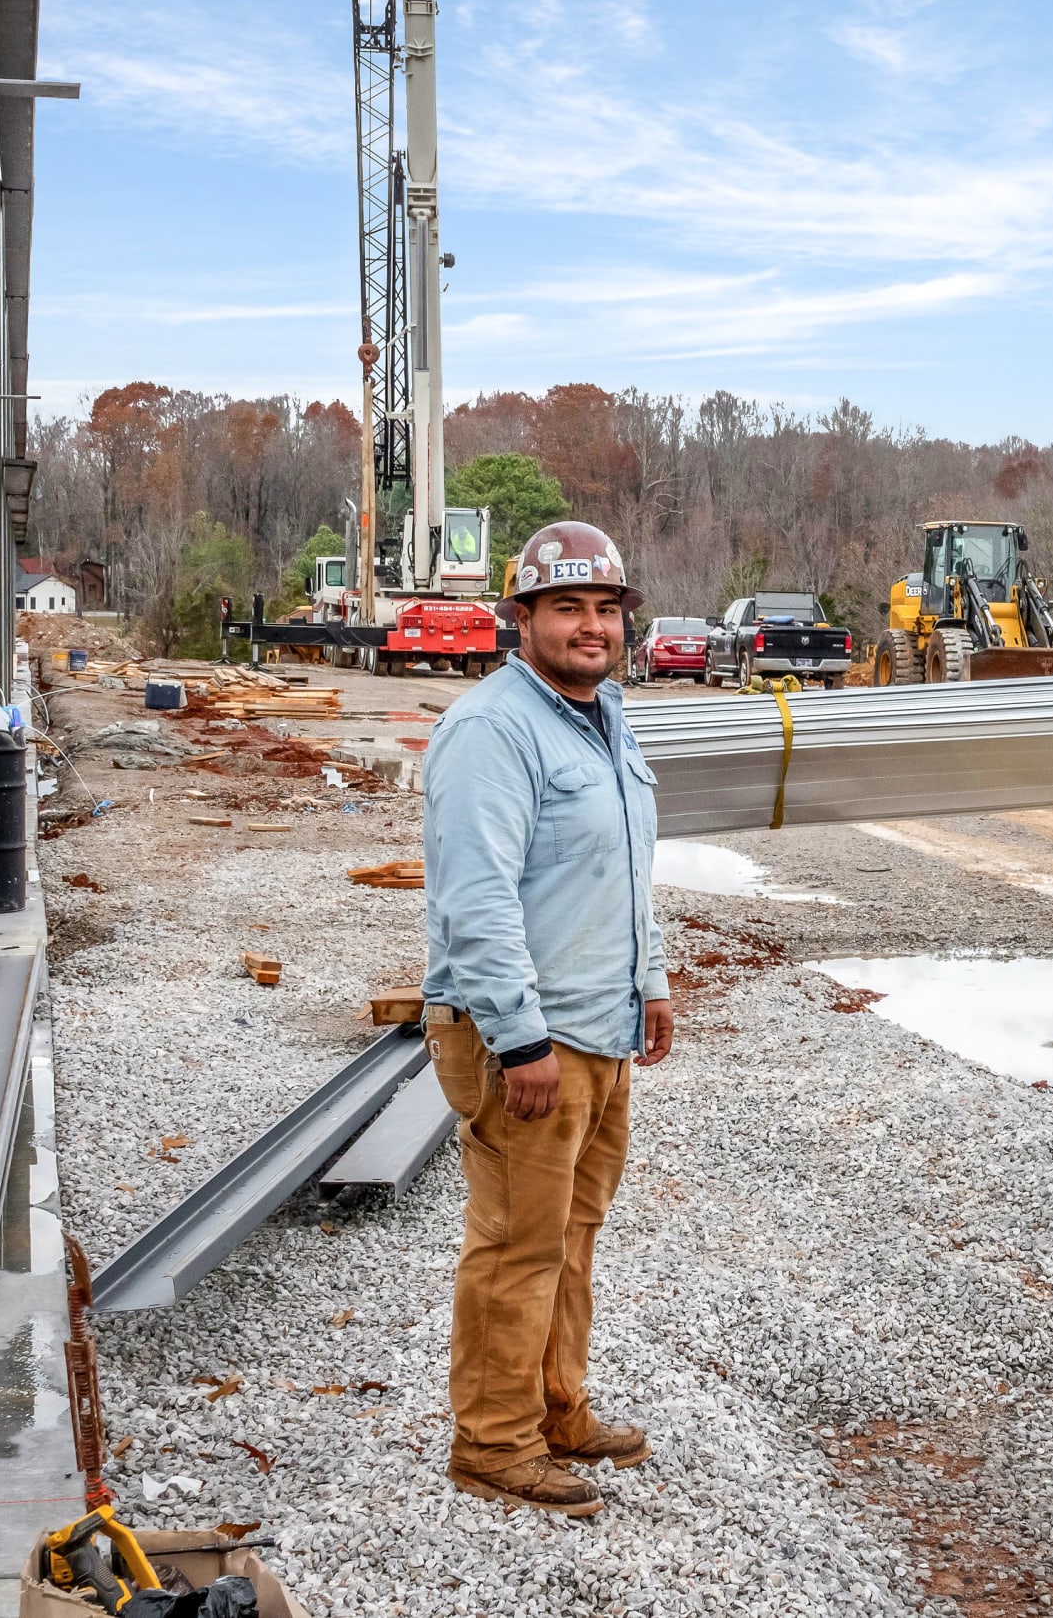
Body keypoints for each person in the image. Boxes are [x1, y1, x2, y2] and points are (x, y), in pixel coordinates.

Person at [420, 520, 674, 1519]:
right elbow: (475, 899)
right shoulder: (493, 729)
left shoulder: (606, 717)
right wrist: (518, 1038)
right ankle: (491, 1443)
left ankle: (557, 1409)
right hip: (528, 1040)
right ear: (519, 618)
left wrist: (649, 981)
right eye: (566, 607)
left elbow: (625, 875)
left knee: (572, 1235)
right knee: (518, 1243)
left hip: (601, 1026)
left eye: (605, 609)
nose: (591, 627)